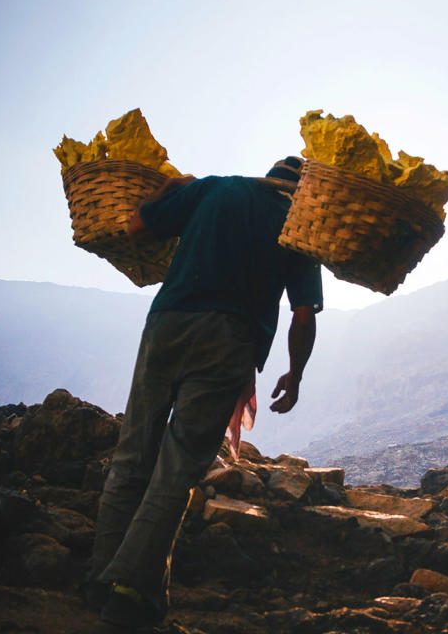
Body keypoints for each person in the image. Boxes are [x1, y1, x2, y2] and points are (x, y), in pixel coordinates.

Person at [85, 156, 323, 632]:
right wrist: (295, 375)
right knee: (177, 469)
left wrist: (168, 188)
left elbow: (135, 227)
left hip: (167, 324)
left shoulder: (215, 188)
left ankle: (99, 581)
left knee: (133, 452)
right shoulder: (301, 226)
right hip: (228, 342)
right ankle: (128, 595)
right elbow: (302, 315)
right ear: (302, 191)